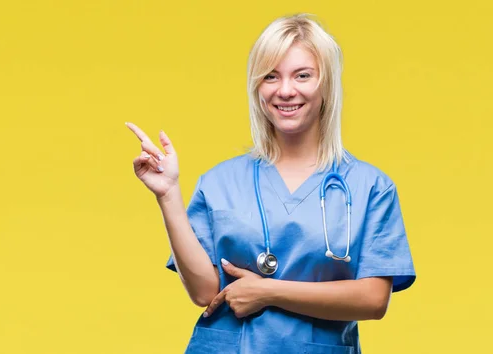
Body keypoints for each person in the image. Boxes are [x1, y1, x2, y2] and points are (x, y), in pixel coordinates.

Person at [126, 13, 415, 354]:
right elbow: (204, 293)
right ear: (257, 87)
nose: (285, 90)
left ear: (327, 84)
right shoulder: (221, 181)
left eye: (302, 75)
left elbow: (373, 300)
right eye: (271, 76)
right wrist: (168, 194)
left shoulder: (370, 187)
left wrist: (268, 292)